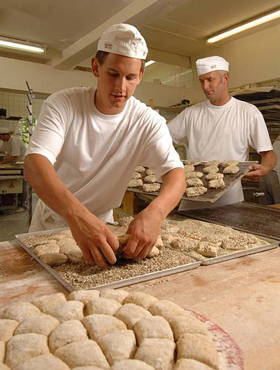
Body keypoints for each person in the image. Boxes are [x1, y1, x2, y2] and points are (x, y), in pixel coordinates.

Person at [24, 23, 186, 269]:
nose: (121, 87)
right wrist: (78, 217)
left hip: (104, 223)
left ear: (140, 76)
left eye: (130, 77)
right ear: (96, 67)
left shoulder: (147, 121)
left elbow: (176, 175)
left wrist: (155, 213)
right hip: (55, 220)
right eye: (113, 74)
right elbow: (35, 164)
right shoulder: (64, 105)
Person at [168, 55, 276, 211]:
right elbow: (161, 138)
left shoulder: (248, 112)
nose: (205, 86)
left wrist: (265, 169)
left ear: (225, 78)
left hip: (230, 203)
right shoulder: (190, 113)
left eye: (210, 80)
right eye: (201, 81)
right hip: (192, 201)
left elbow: (269, 154)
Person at [259, 135, 280, 205]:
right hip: (275, 176)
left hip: (265, 174)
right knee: (276, 209)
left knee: (266, 208)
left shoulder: (276, 141)